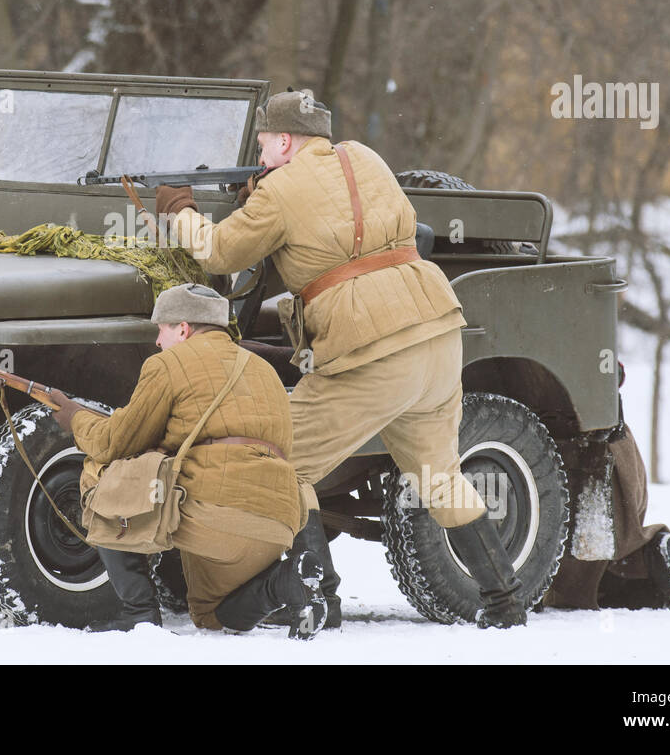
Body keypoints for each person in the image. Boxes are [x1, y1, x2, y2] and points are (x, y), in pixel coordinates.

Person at [157, 89, 527, 629]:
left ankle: (320, 598)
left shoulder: (279, 189)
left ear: (285, 140)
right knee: (440, 475)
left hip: (371, 348)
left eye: (263, 145)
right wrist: (266, 193)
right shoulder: (367, 158)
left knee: (282, 461)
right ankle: (504, 603)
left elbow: (218, 252)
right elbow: (344, 219)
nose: (260, 157)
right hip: (438, 331)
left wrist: (180, 210)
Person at [47, 283, 327, 637]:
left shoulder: (167, 363)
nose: (157, 341)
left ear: (183, 327)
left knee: (102, 471)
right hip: (278, 523)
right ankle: (285, 582)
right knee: (212, 615)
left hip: (217, 516)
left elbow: (113, 443)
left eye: (161, 329)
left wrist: (74, 416)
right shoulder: (264, 371)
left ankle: (139, 611)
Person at [542, 419, 670, 611]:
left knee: (570, 576)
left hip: (578, 460)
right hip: (616, 447)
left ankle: (637, 569)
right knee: (602, 554)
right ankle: (646, 560)